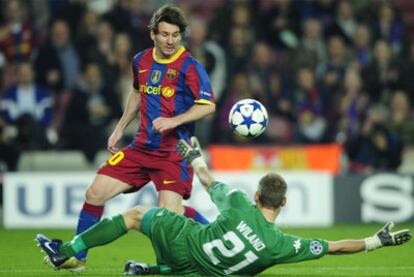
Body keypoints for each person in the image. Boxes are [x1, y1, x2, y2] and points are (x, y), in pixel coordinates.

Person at [36, 137, 411, 275]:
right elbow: (334, 248)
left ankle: (68, 253)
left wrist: (196, 156)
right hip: (205, 272)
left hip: (189, 246)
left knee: (136, 215)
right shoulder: (283, 246)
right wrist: (376, 241)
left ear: (256, 197)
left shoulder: (237, 205)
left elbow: (207, 181)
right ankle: (152, 270)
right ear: (283, 203)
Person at [62, 4, 215, 272]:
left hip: (173, 152)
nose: (170, 41)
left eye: (175, 35)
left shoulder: (190, 66)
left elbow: (208, 105)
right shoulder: (140, 61)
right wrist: (121, 126)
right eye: (165, 34)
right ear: (153, 34)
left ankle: (217, 239)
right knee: (95, 192)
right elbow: (137, 93)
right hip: (141, 147)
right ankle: (78, 258)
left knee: (167, 218)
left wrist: (174, 120)